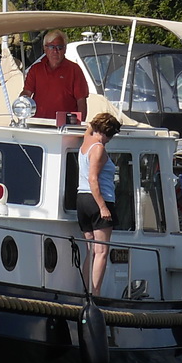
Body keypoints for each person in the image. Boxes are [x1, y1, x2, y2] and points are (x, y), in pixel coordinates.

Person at [76, 111, 121, 296]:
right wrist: (103, 207)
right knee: (102, 252)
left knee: (91, 251)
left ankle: (86, 290)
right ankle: (95, 294)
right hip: (97, 200)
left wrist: (94, 123)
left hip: (82, 200)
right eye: (111, 135)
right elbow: (93, 179)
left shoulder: (86, 141)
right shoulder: (98, 148)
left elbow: (90, 128)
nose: (110, 139)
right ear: (106, 131)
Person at [21, 30, 89, 127]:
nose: (55, 51)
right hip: (38, 124)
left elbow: (81, 101)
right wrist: (20, 103)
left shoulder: (74, 70)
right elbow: (27, 92)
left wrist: (79, 126)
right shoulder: (36, 69)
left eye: (59, 47)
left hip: (65, 126)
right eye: (52, 47)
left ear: (65, 49)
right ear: (45, 49)